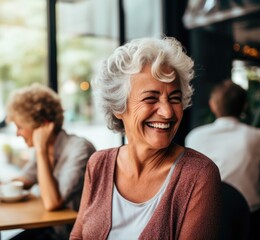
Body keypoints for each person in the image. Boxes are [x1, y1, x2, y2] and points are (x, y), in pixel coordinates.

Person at [70, 37, 221, 239]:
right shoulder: (98, 164)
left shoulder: (198, 175)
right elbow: (78, 235)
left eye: (175, 98)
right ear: (118, 107)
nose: (168, 112)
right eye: (151, 98)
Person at [185, 79, 260, 240]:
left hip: (205, 219)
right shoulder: (258, 137)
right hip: (251, 219)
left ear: (213, 105)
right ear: (244, 106)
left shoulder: (195, 137)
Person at [5, 83, 96, 240]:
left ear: (42, 125)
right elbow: (24, 180)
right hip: (51, 230)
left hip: (72, 235)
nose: (17, 134)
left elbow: (53, 202)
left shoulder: (79, 149)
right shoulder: (47, 149)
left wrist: (40, 150)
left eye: (20, 127)